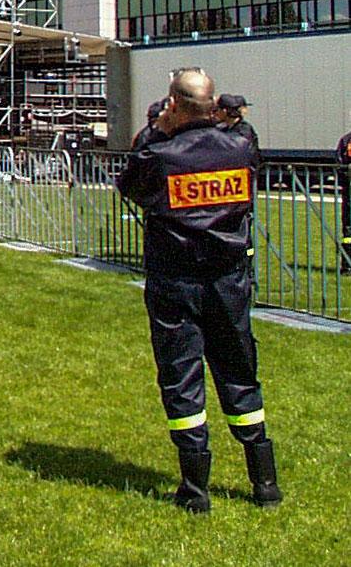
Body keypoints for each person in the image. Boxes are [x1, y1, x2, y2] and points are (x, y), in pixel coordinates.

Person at [117, 69, 281, 513]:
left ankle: (195, 489)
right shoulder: (240, 146)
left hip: (176, 282)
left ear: (173, 104)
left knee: (181, 377)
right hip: (229, 281)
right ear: (213, 104)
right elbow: (248, 151)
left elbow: (129, 184)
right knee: (239, 371)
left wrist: (157, 130)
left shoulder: (160, 154)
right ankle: (264, 481)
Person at [216, 93, 260, 159]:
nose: (216, 113)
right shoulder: (224, 129)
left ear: (224, 111)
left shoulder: (244, 130)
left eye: (217, 109)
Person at [337, 125, 351, 274]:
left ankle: (347, 266)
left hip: (349, 193)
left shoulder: (346, 140)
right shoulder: (347, 140)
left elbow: (340, 166)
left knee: (348, 231)